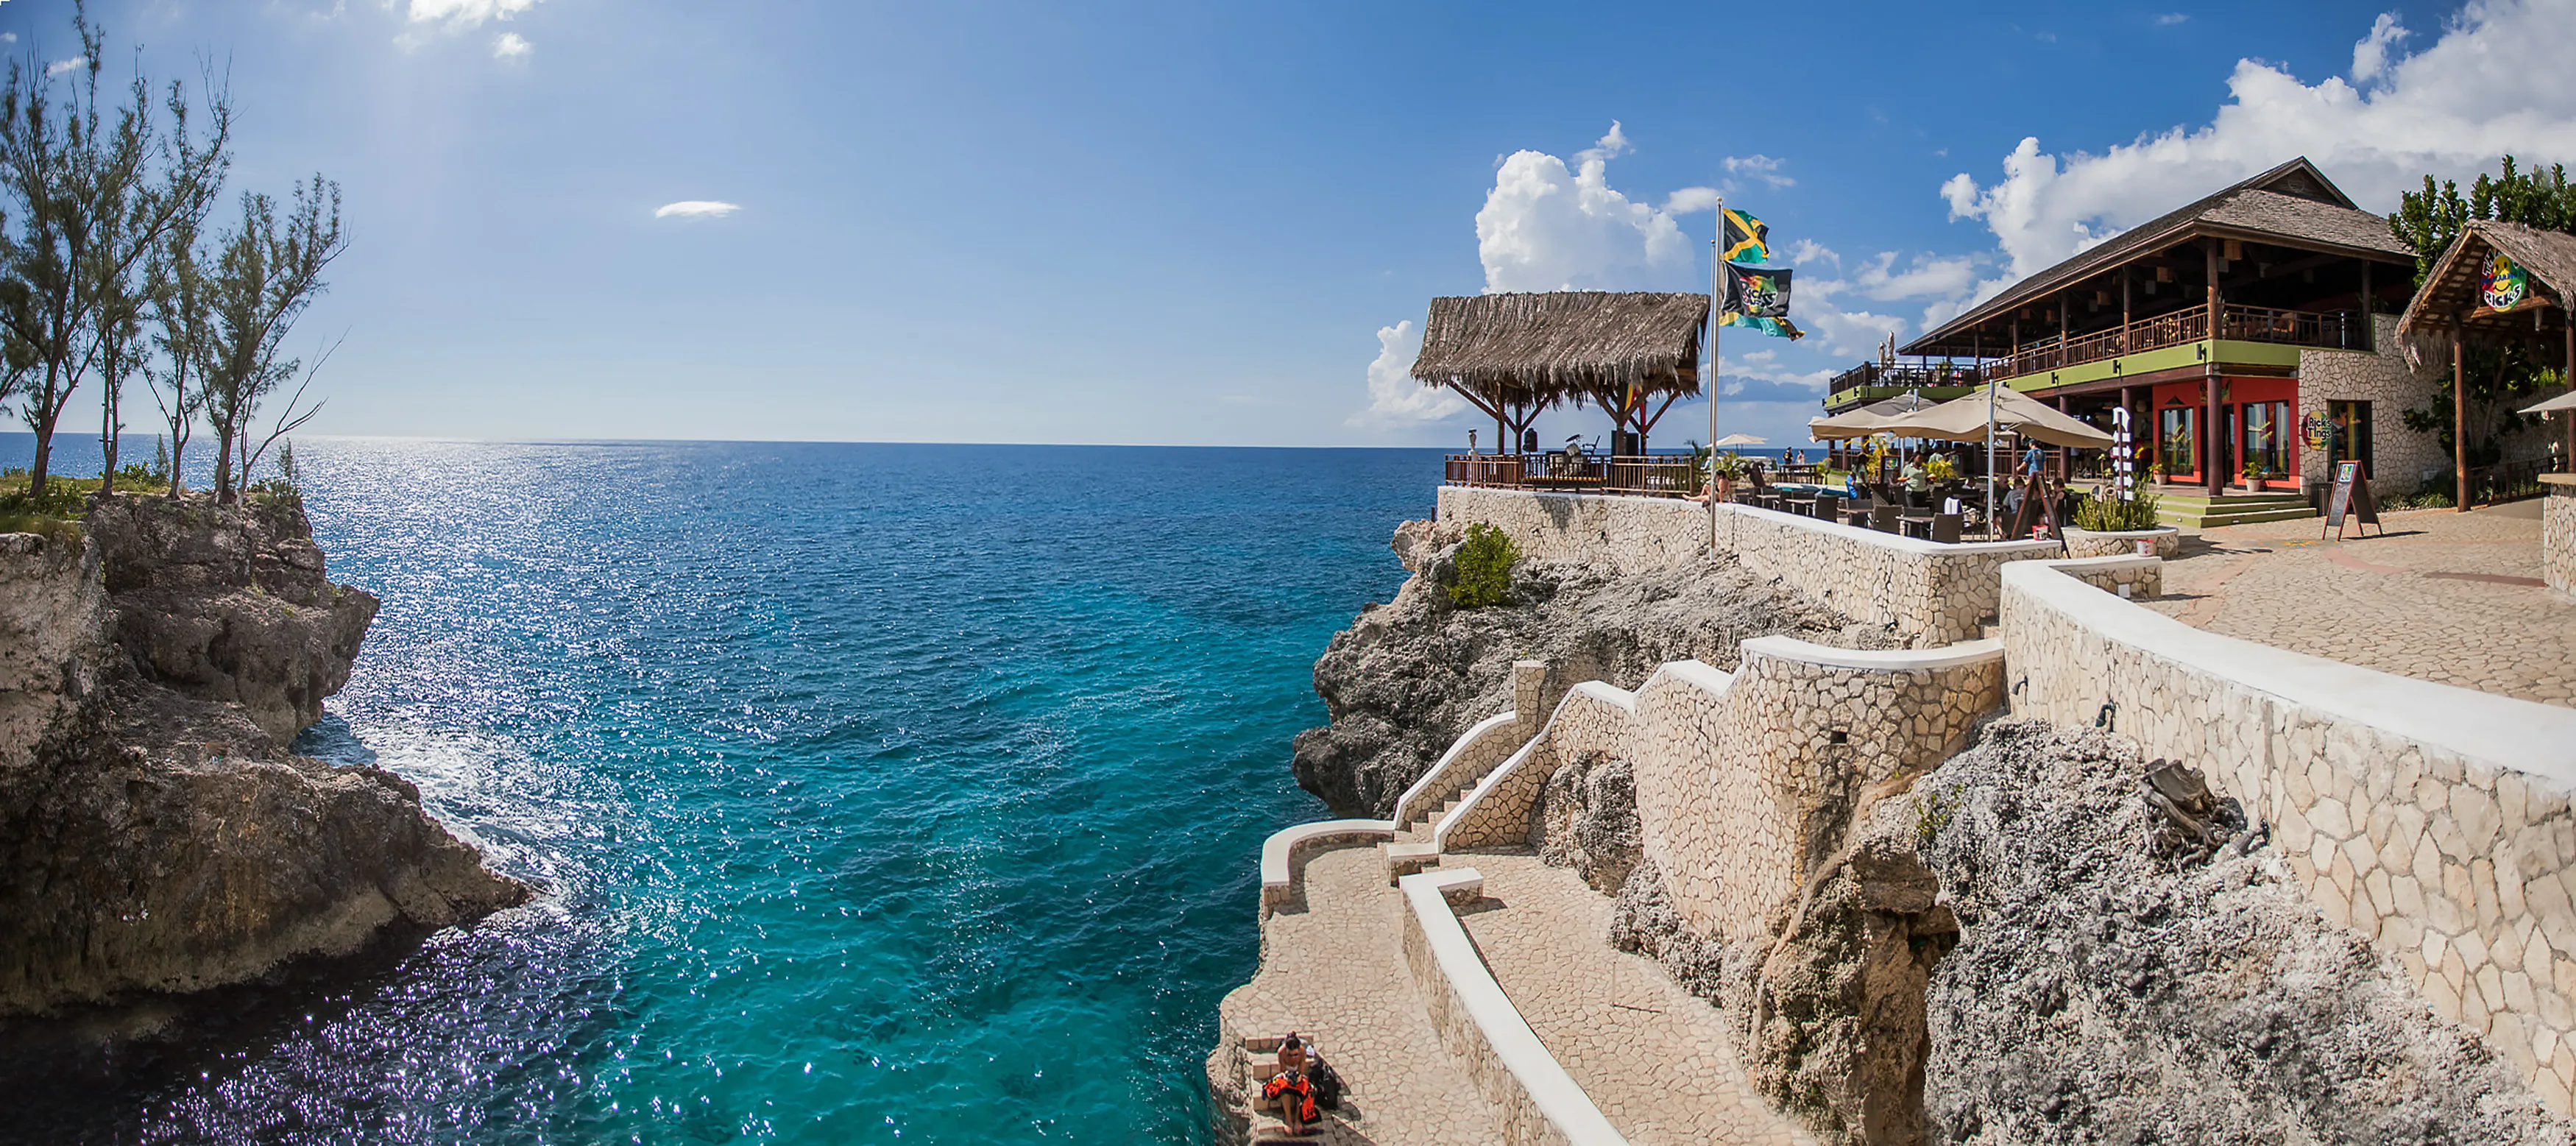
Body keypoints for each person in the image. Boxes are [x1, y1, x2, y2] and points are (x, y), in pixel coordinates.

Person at [1264, 1033, 1320, 1134]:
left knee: (1302, 1088)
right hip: (1286, 1074)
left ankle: (1298, 1118)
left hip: (1297, 1074)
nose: (1293, 1057)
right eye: (1290, 1055)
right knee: (1284, 1088)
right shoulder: (1281, 1052)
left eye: (1295, 1054)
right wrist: (1287, 1078)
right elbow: (1282, 1071)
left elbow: (1301, 1071)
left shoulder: (1302, 1052)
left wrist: (1297, 1079)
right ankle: (1289, 1119)